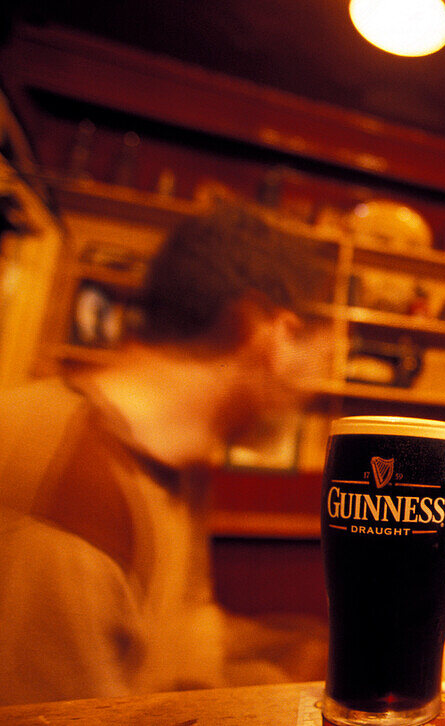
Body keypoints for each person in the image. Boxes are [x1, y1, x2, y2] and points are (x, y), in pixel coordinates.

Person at [0, 204, 330, 706]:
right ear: (271, 334)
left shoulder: (174, 462)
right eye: (317, 358)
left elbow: (174, 648)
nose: (311, 388)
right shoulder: (68, 486)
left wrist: (315, 649)